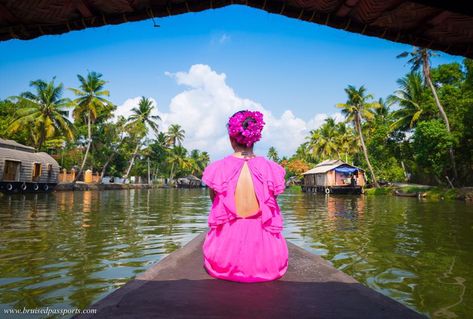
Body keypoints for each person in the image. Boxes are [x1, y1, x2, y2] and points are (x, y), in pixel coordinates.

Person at [201, 110, 288, 283]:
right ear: (255, 139)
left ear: (231, 139)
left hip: (226, 258)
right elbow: (270, 208)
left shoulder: (217, 168)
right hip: (267, 259)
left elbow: (216, 206)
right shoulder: (272, 169)